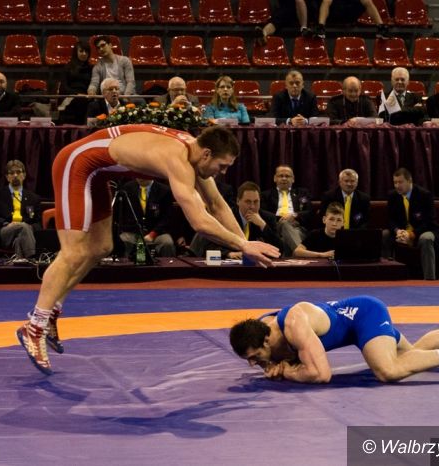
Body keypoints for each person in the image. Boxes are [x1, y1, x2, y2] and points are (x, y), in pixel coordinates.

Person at [17, 125, 280, 374]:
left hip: (99, 171)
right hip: (76, 163)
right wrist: (243, 244)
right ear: (207, 154)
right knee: (73, 252)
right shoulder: (177, 158)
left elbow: (217, 205)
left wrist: (245, 245)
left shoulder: (196, 152)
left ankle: (51, 311)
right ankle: (35, 325)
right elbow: (200, 222)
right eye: (222, 166)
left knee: (100, 247)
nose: (222, 173)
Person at [230, 295, 439, 384]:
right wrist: (270, 364)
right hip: (352, 324)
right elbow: (275, 356)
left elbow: (321, 374)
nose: (253, 364)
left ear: (266, 342)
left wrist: (287, 372)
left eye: (255, 357)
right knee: (411, 355)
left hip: (363, 314)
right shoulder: (261, 329)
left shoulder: (293, 323)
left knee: (387, 370)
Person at [190, 181, 281, 259]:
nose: (252, 206)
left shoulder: (268, 218)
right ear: (238, 201)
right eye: (248, 202)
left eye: (256, 202)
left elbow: (280, 249)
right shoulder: (226, 217)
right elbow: (210, 245)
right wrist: (229, 254)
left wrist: (263, 226)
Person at [384, 167, 439, 280]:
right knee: (385, 235)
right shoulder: (392, 195)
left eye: (400, 182)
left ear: (409, 181)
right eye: (395, 182)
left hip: (423, 231)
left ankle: (429, 279)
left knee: (426, 238)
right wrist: (397, 231)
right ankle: (387, 278)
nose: (397, 186)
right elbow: (390, 220)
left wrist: (411, 234)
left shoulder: (424, 195)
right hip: (401, 233)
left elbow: (429, 221)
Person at [0, 160, 42, 259]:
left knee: (20, 237)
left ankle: (22, 263)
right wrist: (6, 224)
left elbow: (38, 223)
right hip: (4, 232)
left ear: (24, 175)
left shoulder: (34, 198)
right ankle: (33, 258)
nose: (15, 175)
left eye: (18, 172)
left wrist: (29, 227)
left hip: (26, 233)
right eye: (11, 173)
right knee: (23, 227)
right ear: (7, 177)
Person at [261, 165, 314, 256]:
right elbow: (262, 213)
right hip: (275, 227)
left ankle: (295, 256)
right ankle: (302, 254)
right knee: (284, 224)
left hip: (297, 227)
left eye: (287, 176)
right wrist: (280, 218)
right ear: (275, 178)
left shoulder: (302, 193)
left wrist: (295, 215)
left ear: (293, 179)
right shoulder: (266, 195)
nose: (284, 178)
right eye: (281, 176)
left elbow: (310, 211)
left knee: (286, 239)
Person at [116, 178, 176, 258]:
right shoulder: (127, 188)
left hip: (157, 232)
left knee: (167, 243)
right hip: (134, 232)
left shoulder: (164, 190)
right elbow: (122, 214)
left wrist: (153, 234)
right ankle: (125, 265)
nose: (140, 177)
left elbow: (167, 217)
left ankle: (169, 265)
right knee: (123, 240)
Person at [314, 0, 390, 39]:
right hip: (335, 12)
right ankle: (321, 27)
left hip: (350, 12)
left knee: (367, 0)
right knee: (326, 0)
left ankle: (381, 27)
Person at [58, 40, 93, 125]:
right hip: (70, 96)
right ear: (76, 52)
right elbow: (63, 87)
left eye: (86, 52)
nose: (84, 54)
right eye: (81, 51)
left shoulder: (91, 68)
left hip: (85, 97)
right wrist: (77, 94)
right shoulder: (68, 67)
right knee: (79, 102)